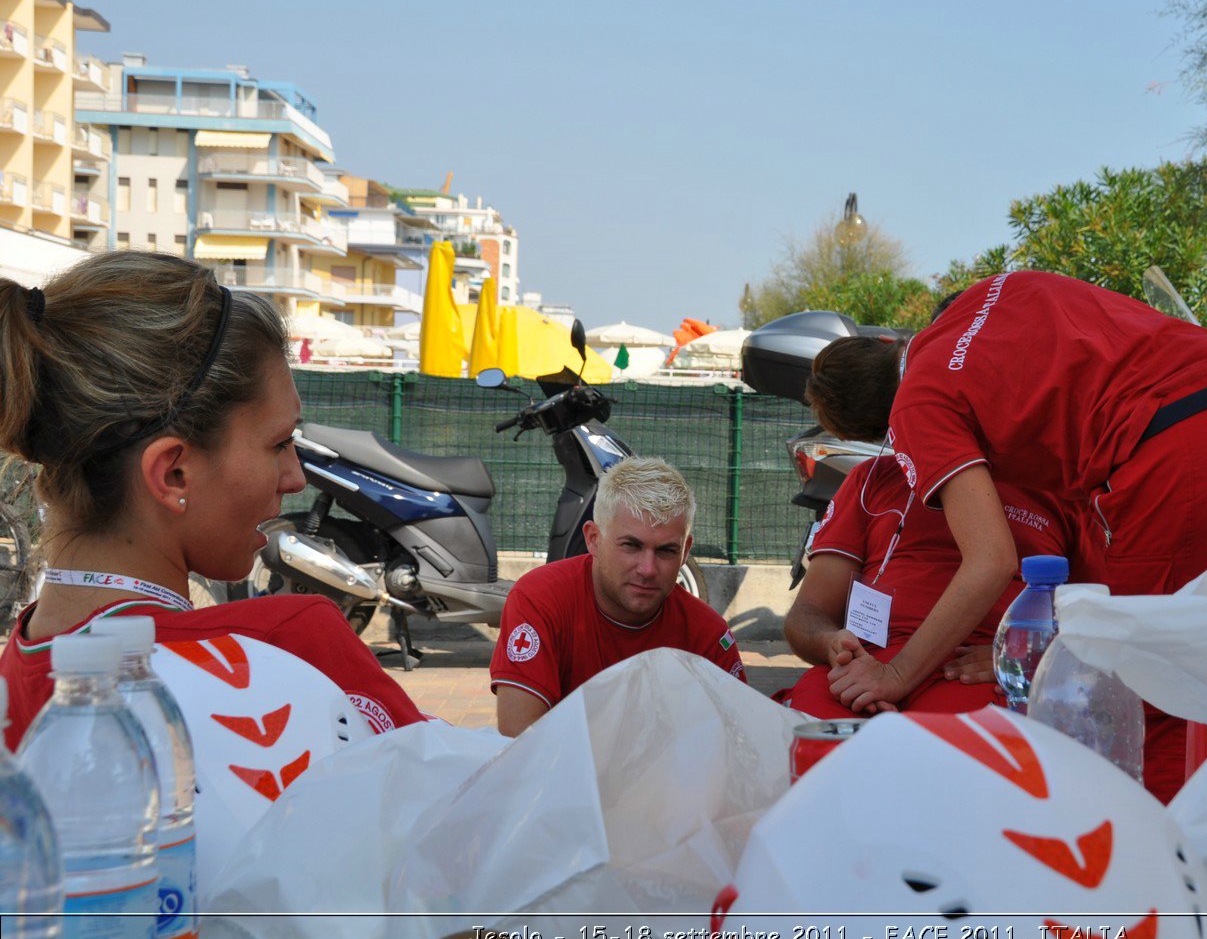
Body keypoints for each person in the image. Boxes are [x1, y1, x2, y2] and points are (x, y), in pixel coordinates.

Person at [805, 270, 1207, 802]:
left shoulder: (918, 407)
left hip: (1179, 446)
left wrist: (897, 673)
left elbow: (991, 560)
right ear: (885, 342)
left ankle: (1161, 891)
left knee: (1151, 687)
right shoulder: (996, 288)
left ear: (881, 431)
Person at [0, 252, 426, 749]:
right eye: (280, 443)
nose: (295, 477)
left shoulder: (17, 681)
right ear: (174, 474)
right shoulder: (285, 645)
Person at [783, 447, 1070, 717]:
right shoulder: (874, 477)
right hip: (860, 669)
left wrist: (1028, 657)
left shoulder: (1061, 490)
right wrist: (832, 644)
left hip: (971, 671)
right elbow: (807, 614)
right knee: (801, 737)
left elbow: (1103, 614)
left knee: (950, 753)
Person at [490, 456, 744, 737]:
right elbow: (519, 739)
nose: (647, 569)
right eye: (631, 546)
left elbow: (740, 746)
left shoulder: (707, 634)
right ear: (593, 539)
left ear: (685, 551)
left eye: (666, 551)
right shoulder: (539, 599)